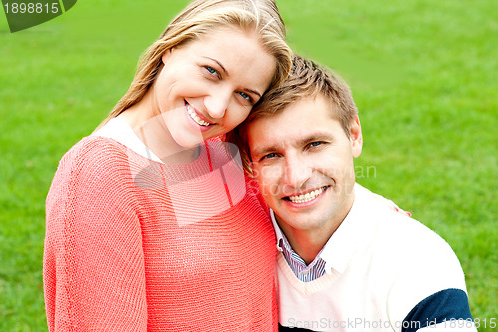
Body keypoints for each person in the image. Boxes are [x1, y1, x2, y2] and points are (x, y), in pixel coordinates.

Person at [43, 0, 292, 330]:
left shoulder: (227, 151)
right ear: (171, 48)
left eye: (244, 95)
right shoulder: (100, 175)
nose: (218, 108)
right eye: (211, 72)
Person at [227, 55, 477, 331]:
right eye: (271, 155)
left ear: (354, 135)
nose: (296, 177)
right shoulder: (231, 245)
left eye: (314, 144)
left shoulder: (418, 262)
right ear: (250, 164)